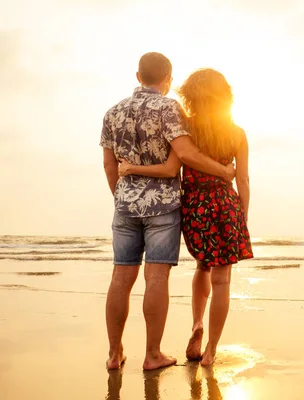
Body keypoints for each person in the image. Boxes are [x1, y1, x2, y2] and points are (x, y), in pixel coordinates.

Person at [101, 53, 235, 371]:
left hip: (125, 206)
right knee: (156, 277)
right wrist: (224, 172)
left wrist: (123, 197)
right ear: (168, 78)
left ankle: (114, 353)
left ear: (138, 76)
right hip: (162, 205)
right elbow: (186, 154)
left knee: (121, 278)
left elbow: (109, 164)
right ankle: (152, 354)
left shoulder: (112, 112)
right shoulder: (169, 107)